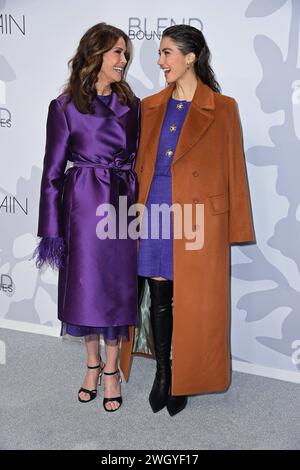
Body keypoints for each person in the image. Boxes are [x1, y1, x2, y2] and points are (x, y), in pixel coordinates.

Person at [120, 25, 255, 416]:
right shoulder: (149, 105)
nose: (160, 61)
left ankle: (185, 375)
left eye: (166, 53)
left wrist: (235, 226)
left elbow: (234, 170)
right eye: (160, 54)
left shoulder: (223, 107)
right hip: (156, 207)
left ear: (190, 56)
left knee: (193, 299)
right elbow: (138, 162)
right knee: (160, 292)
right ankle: (164, 373)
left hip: (198, 216)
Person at [34, 23, 140, 412]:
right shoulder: (63, 107)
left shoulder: (133, 103)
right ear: (95, 56)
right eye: (117, 52)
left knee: (116, 289)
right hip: (83, 206)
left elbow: (139, 158)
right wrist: (51, 232)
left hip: (123, 204)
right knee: (86, 290)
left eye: (125, 53)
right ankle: (92, 365)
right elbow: (51, 173)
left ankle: (112, 370)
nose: (123, 60)